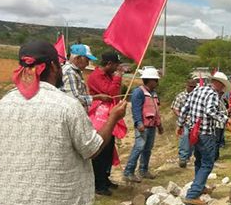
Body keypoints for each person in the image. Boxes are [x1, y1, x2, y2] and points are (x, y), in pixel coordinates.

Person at [0, 40, 126, 205]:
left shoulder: (2, 106)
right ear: (53, 66)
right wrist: (113, 118)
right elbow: (92, 148)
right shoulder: (66, 106)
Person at [179, 72, 231, 205]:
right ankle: (192, 195)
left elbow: (185, 109)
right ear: (218, 84)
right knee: (207, 163)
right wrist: (225, 119)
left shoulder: (197, 90)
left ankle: (199, 186)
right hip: (206, 132)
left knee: (199, 161)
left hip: (194, 132)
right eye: (223, 87)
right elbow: (210, 111)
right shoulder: (213, 94)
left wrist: (180, 124)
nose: (223, 90)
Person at [86, 51, 124, 195]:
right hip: (98, 118)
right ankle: (99, 184)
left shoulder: (108, 76)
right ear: (109, 64)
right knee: (101, 150)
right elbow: (112, 92)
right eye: (115, 65)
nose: (117, 68)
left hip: (108, 117)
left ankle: (105, 178)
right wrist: (118, 78)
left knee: (108, 149)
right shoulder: (97, 76)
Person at [123, 66, 164, 182]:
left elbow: (156, 110)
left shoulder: (154, 93)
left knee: (147, 149)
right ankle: (128, 172)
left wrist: (159, 125)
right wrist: (139, 123)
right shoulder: (138, 92)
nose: (157, 82)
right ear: (149, 80)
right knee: (139, 147)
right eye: (155, 80)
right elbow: (136, 109)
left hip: (152, 126)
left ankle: (143, 170)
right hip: (143, 126)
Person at [62, 44, 111, 111]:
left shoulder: (75, 71)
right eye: (87, 60)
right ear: (77, 58)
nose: (87, 64)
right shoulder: (69, 72)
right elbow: (74, 99)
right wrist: (96, 97)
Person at [173, 79, 198, 168]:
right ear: (186, 86)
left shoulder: (197, 96)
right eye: (191, 86)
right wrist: (181, 116)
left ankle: (188, 156)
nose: (192, 88)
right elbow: (175, 108)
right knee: (185, 136)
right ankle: (182, 158)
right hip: (184, 122)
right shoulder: (180, 96)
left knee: (193, 139)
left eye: (194, 87)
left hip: (195, 122)